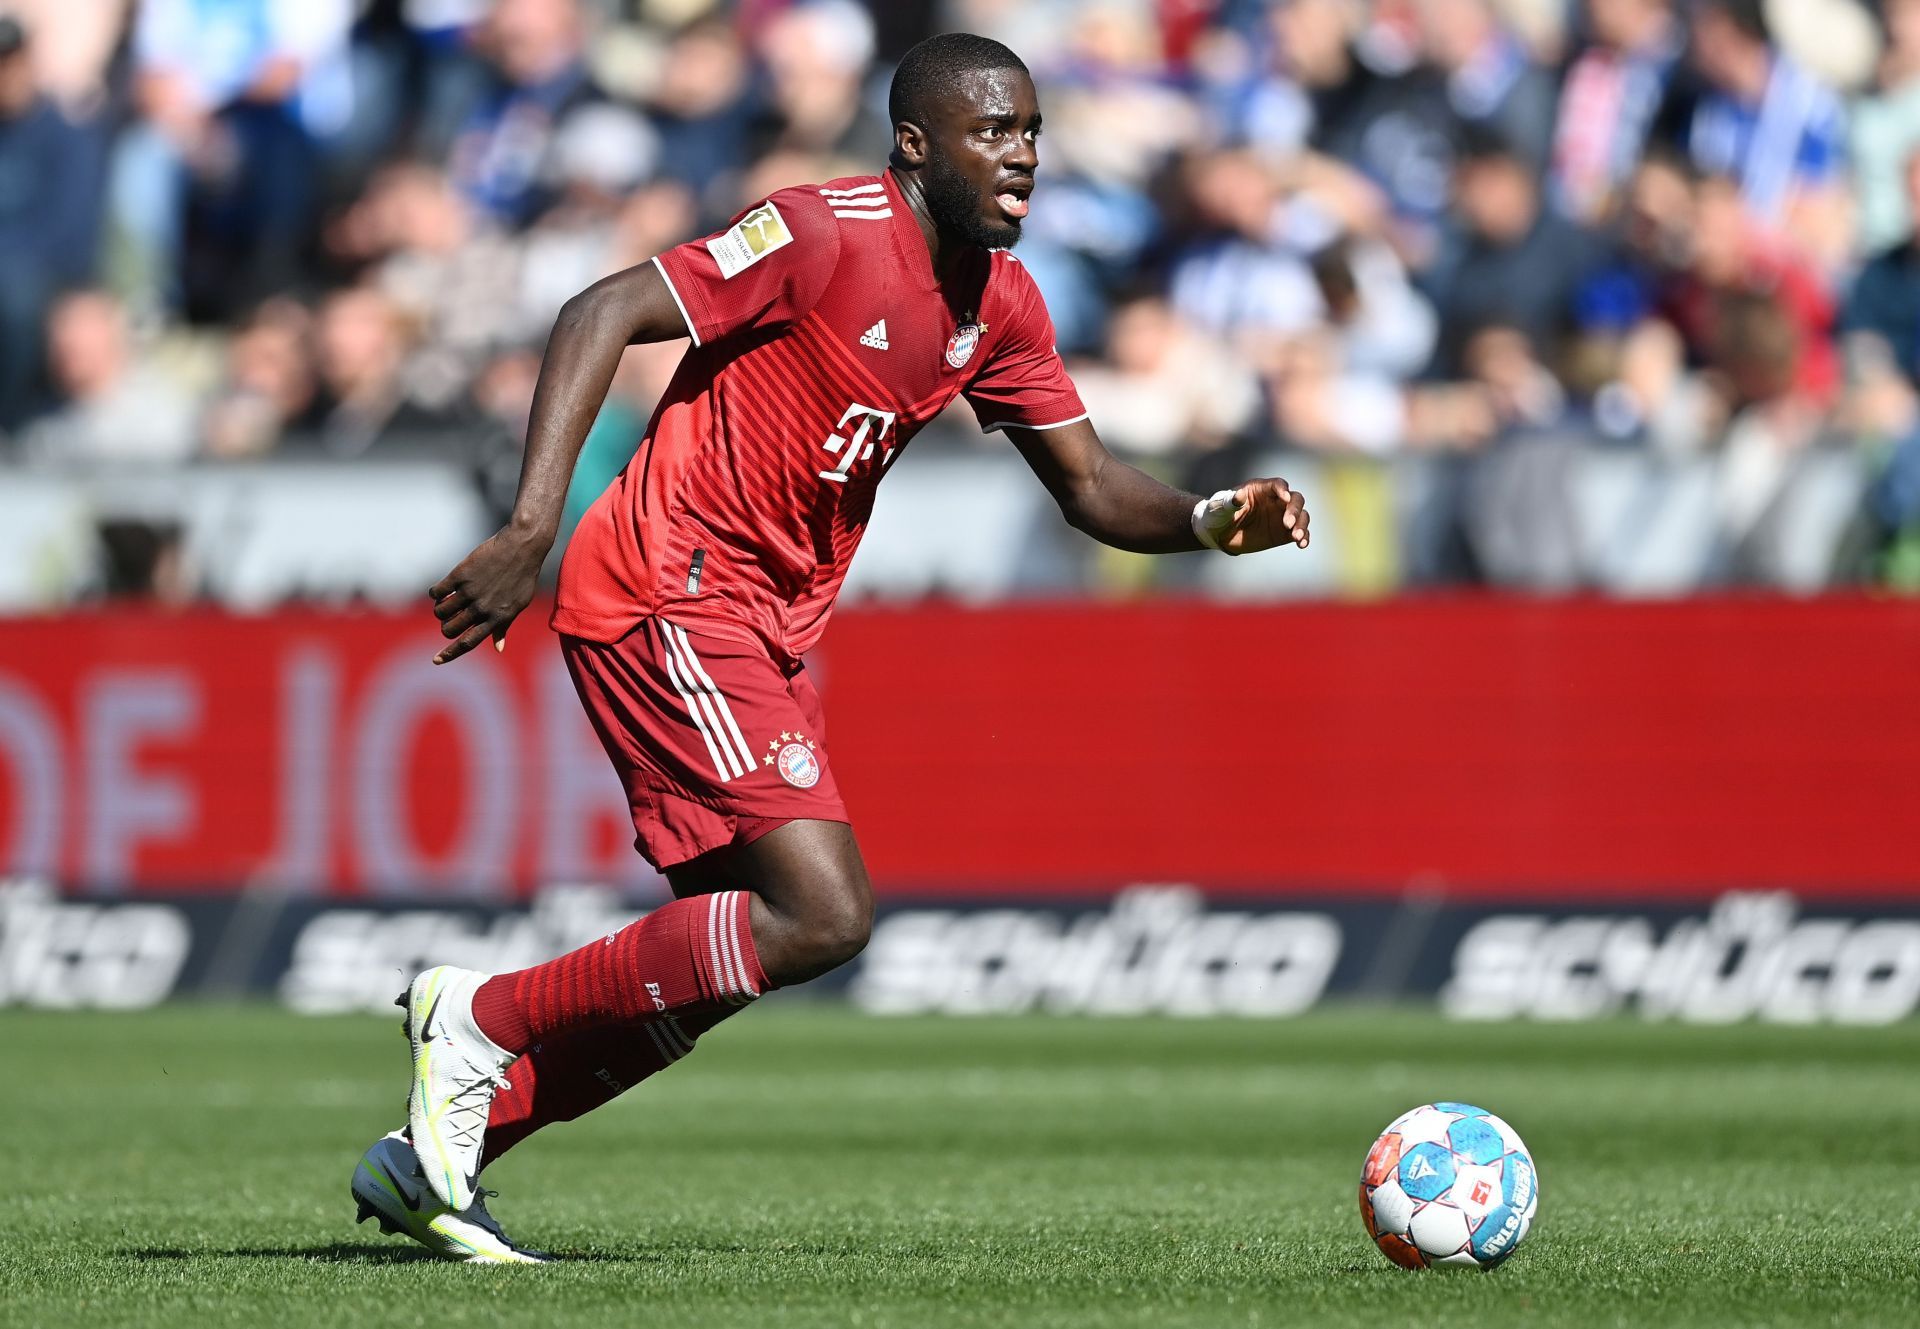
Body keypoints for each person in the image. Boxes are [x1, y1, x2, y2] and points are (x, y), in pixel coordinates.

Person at [347, 32, 1311, 1263]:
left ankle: (439, 1160)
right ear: (915, 144)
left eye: (1030, 133)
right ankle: (476, 1019)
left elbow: (1088, 485)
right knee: (826, 912)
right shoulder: (822, 232)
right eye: (992, 131)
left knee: (720, 960)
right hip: (670, 584)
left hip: (760, 625)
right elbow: (605, 308)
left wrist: (1205, 520)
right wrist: (534, 523)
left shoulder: (999, 303)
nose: (1020, 157)